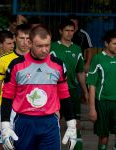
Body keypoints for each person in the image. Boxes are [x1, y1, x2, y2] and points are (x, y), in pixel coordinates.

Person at [0, 24, 77, 150]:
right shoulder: (16, 65)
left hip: (49, 122)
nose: (44, 50)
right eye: (40, 46)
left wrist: (71, 123)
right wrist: (5, 126)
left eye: (47, 45)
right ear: (29, 43)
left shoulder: (58, 65)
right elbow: (7, 96)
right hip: (24, 122)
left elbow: (65, 95)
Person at [50, 19, 88, 150]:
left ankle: (77, 148)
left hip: (72, 91)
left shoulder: (77, 49)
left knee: (75, 123)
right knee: (55, 122)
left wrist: (85, 91)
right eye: (66, 30)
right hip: (55, 92)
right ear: (60, 31)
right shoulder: (52, 47)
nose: (69, 33)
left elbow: (80, 72)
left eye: (72, 30)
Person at [0, 24, 30, 132]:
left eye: (28, 38)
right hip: (9, 109)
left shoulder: (39, 59)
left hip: (31, 111)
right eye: (22, 38)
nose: (25, 42)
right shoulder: (3, 60)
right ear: (15, 38)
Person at [87, 29, 116, 150]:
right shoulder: (98, 59)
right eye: (114, 43)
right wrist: (92, 108)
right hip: (102, 102)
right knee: (103, 136)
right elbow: (92, 85)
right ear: (106, 43)